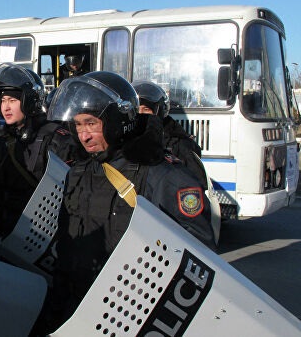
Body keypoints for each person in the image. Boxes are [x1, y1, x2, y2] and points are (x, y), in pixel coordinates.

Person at [32, 71, 216, 335]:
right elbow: (67, 245)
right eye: (78, 125)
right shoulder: (80, 172)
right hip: (80, 308)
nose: (84, 135)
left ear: (118, 122)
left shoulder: (164, 176)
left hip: (129, 314)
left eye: (91, 123)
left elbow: (198, 263)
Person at [0, 64, 81, 252]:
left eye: (12, 100)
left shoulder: (55, 139)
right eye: (2, 100)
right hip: (8, 233)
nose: (5, 107)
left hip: (48, 239)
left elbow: (74, 195)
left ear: (29, 101)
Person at [132, 80, 207, 189]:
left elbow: (195, 189)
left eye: (146, 110)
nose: (140, 115)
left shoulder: (178, 146)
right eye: (136, 110)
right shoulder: (122, 142)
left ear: (159, 113)